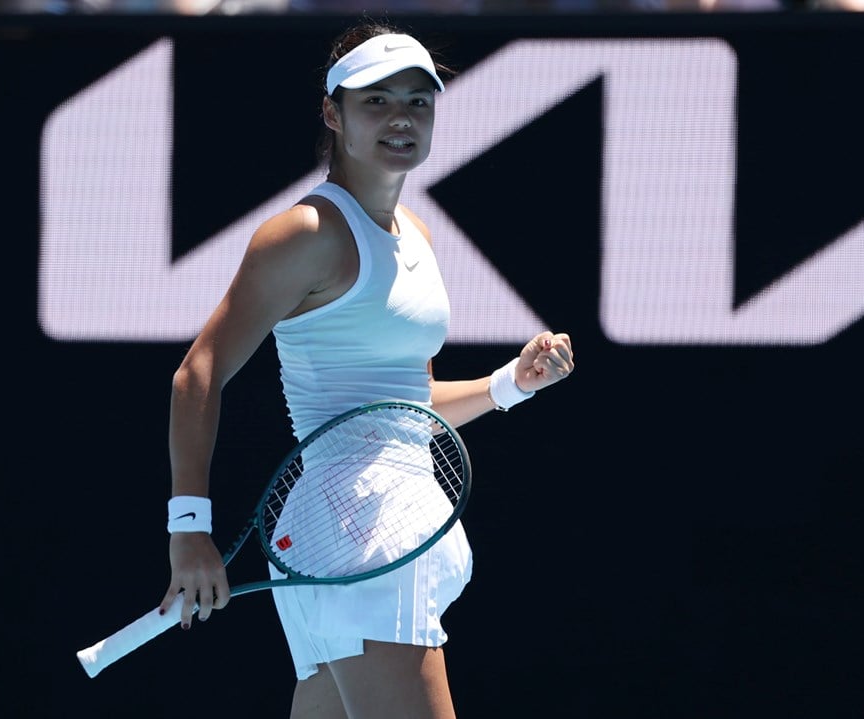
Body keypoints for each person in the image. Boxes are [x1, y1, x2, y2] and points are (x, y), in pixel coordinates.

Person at [158, 19, 574, 719]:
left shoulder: (417, 237)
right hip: (359, 523)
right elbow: (197, 374)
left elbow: (408, 407)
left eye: (418, 101)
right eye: (376, 101)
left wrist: (511, 384)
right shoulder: (306, 233)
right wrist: (189, 528)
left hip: (375, 515)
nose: (401, 118)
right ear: (333, 113)